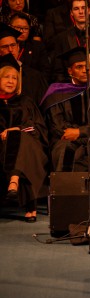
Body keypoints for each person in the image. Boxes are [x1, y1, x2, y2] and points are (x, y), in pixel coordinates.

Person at [0, 53, 48, 222]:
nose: (11, 80)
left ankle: (14, 180)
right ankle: (31, 207)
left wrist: (16, 129)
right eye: (6, 77)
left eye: (14, 77)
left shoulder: (25, 102)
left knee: (22, 142)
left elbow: (38, 127)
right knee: (17, 144)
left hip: (30, 144)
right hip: (2, 146)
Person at [50, 0, 90, 84]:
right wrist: (72, 85)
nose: (81, 12)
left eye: (83, 8)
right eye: (76, 9)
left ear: (89, 10)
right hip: (70, 89)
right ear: (71, 13)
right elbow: (58, 71)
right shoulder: (62, 38)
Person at [0, 23, 48, 105]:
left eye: (13, 45)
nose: (10, 49)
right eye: (5, 46)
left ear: (18, 47)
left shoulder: (34, 76)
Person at [9, 12, 51, 78]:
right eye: (18, 27)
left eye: (25, 28)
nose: (21, 31)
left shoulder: (37, 47)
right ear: (10, 27)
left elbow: (45, 73)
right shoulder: (3, 45)